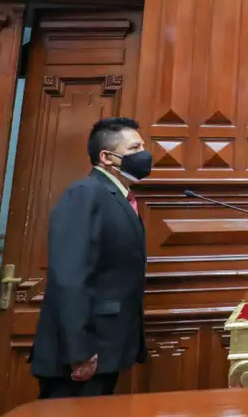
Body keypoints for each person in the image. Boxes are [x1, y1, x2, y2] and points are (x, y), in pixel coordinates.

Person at [31, 117, 152, 398]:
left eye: (143, 147)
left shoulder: (117, 196)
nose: (144, 155)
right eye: (134, 149)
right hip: (85, 353)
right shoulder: (85, 194)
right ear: (107, 157)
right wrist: (79, 351)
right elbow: (69, 277)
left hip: (108, 347)